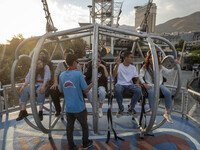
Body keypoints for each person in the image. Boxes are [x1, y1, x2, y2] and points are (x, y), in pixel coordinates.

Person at [59, 54, 93, 150]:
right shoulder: (78, 74)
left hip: (69, 108)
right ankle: (85, 143)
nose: (78, 63)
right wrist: (93, 83)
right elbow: (86, 90)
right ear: (74, 63)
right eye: (77, 62)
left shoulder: (62, 75)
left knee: (69, 128)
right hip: (79, 107)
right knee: (84, 126)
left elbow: (61, 90)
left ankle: (71, 145)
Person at [139, 52, 176, 124]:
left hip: (159, 85)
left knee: (168, 93)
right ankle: (152, 113)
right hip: (150, 85)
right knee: (151, 92)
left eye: (153, 58)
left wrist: (174, 68)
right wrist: (145, 84)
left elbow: (168, 73)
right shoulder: (145, 67)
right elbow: (140, 76)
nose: (151, 59)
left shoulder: (160, 67)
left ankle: (167, 113)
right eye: (150, 58)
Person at [49, 49, 79, 116]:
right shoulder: (60, 64)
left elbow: (80, 76)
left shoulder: (77, 65)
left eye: (70, 55)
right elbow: (56, 74)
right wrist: (56, 83)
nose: (68, 57)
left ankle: (77, 110)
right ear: (64, 56)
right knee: (53, 90)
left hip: (73, 85)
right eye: (66, 55)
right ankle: (58, 109)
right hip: (62, 84)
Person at [113, 51, 141, 117]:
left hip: (130, 84)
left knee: (138, 90)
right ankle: (120, 107)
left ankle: (131, 107)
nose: (132, 59)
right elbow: (114, 75)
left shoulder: (133, 67)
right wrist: (117, 65)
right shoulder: (119, 66)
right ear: (126, 58)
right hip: (120, 83)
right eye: (131, 57)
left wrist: (137, 83)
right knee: (117, 90)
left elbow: (138, 77)